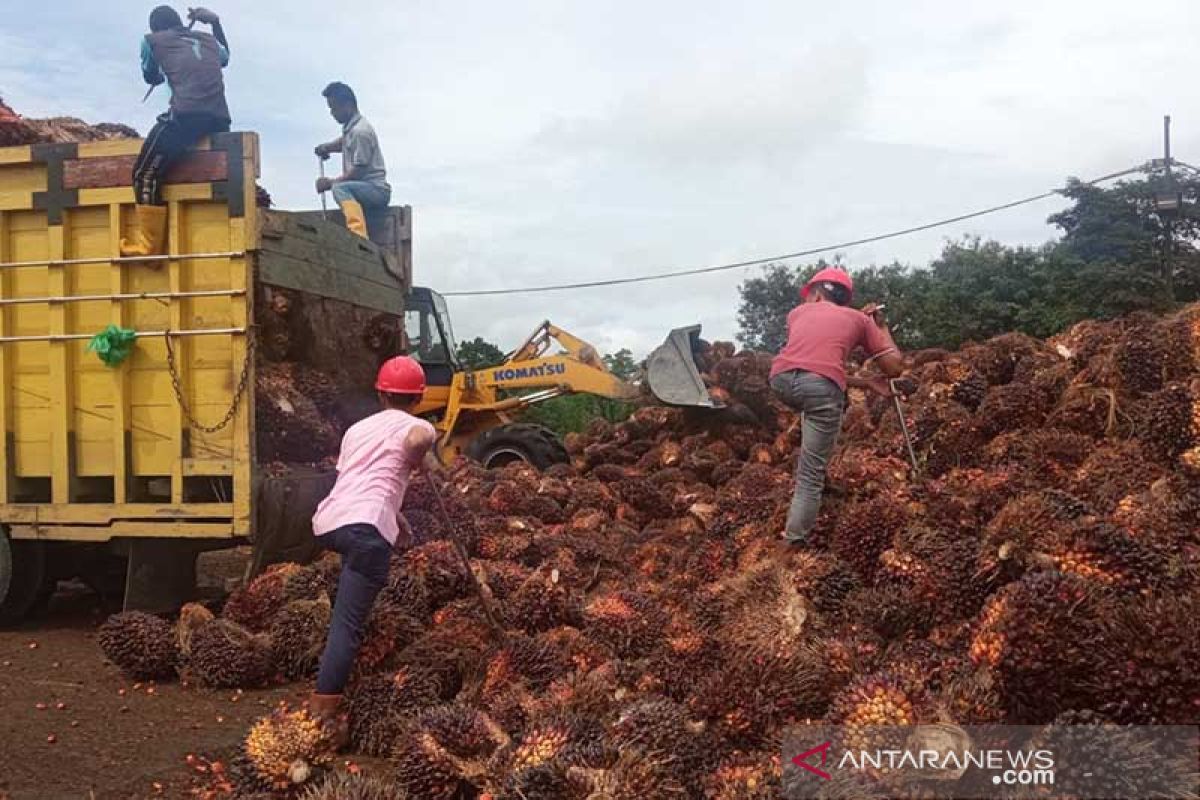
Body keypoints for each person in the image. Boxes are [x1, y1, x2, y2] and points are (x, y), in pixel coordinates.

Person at [308, 355, 438, 738]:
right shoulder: (417, 424)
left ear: (381, 394)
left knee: (350, 599)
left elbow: (359, 482)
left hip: (330, 524)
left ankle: (336, 669)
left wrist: (395, 516)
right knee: (347, 623)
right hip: (366, 534)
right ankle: (323, 710)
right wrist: (419, 457)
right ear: (418, 398)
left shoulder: (356, 430)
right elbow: (416, 441)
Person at [769, 267, 904, 545]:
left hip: (780, 380)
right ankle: (793, 543)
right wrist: (880, 328)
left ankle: (813, 451)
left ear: (817, 295)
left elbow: (813, 366)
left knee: (812, 403)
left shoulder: (796, 314)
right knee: (810, 475)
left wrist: (865, 384)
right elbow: (894, 368)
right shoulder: (859, 319)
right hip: (818, 390)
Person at [122, 5, 231, 257]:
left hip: (186, 118)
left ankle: (149, 248)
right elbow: (225, 59)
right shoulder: (209, 41)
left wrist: (159, 74)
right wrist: (215, 22)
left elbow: (150, 75)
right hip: (219, 120)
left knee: (144, 174)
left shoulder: (151, 40)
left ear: (155, 28)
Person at [314, 82, 391, 240]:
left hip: (376, 190)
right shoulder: (352, 129)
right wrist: (327, 147)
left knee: (340, 189)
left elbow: (359, 172)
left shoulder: (360, 132)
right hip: (365, 189)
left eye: (334, 108)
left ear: (348, 105)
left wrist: (330, 183)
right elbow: (345, 142)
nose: (332, 113)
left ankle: (358, 236)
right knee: (340, 187)